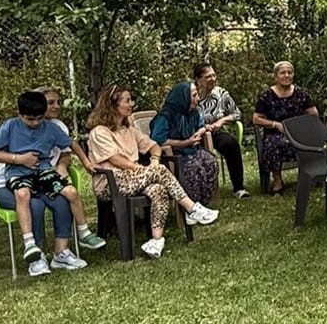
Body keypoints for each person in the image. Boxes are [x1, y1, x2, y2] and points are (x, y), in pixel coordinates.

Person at [87, 84, 219, 258]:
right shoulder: (99, 132)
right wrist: (143, 169)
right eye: (127, 101)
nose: (131, 104)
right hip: (111, 183)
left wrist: (155, 160)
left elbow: (155, 146)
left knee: (159, 189)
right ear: (113, 104)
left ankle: (156, 241)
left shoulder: (129, 130)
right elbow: (115, 160)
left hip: (134, 179)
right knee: (160, 172)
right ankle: (191, 208)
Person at [0, 91, 95, 276]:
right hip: (8, 181)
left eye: (58, 103)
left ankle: (61, 253)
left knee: (62, 200)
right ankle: (36, 255)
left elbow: (68, 149)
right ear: (20, 114)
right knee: (33, 204)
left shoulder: (54, 128)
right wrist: (18, 159)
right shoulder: (12, 126)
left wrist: (69, 164)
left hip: (41, 177)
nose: (56, 106)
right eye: (51, 102)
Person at [251, 61, 317, 193]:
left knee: (308, 142)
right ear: (276, 76)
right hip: (275, 133)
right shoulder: (266, 95)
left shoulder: (301, 93)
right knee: (274, 144)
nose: (286, 75)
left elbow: (313, 114)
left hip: (296, 132)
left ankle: (308, 176)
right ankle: (277, 180)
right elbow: (256, 119)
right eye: (283, 73)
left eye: (289, 72)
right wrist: (275, 124)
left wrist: (301, 125)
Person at [151, 81, 218, 205]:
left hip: (191, 149)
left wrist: (200, 132)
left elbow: (202, 125)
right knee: (194, 166)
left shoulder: (192, 112)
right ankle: (191, 206)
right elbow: (158, 140)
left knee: (210, 161)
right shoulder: (165, 116)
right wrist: (185, 143)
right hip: (171, 155)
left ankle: (204, 203)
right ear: (183, 97)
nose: (197, 99)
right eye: (194, 95)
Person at [193, 63, 251, 199]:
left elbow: (237, 114)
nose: (212, 79)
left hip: (216, 132)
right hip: (194, 133)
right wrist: (201, 127)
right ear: (198, 79)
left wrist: (221, 121)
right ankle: (202, 191)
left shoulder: (221, 93)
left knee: (230, 144)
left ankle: (239, 188)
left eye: (213, 75)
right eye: (208, 77)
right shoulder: (191, 94)